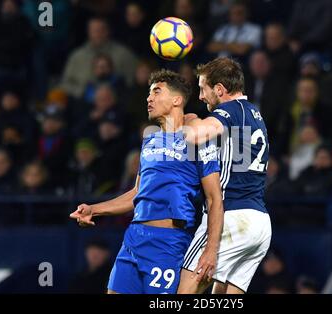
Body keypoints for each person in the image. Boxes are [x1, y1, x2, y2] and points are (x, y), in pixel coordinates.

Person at [70, 70, 224, 294]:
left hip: (168, 244)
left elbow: (214, 198)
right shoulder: (150, 140)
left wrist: (211, 249)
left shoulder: (199, 139)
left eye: (156, 92)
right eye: (149, 93)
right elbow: (137, 193)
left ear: (177, 100)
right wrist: (95, 209)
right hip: (133, 239)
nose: (148, 99)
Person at [180, 57, 272, 294]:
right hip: (259, 223)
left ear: (219, 89)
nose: (201, 96)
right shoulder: (254, 112)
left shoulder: (229, 110)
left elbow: (195, 136)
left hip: (231, 216)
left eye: (203, 89)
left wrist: (189, 120)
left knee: (184, 291)